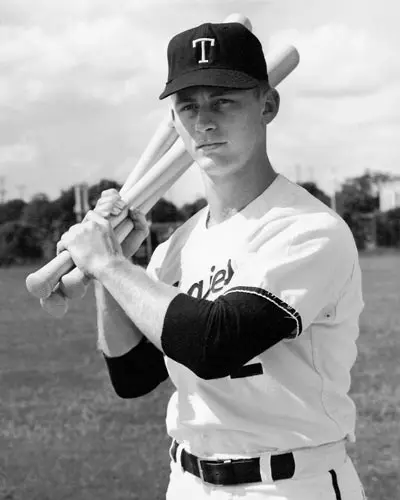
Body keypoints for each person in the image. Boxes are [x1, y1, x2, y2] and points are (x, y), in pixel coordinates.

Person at [58, 21, 367, 500]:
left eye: (224, 100)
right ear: (175, 123)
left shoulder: (308, 230)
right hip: (186, 482)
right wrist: (113, 263)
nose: (204, 121)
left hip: (289, 484)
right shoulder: (177, 246)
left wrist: (108, 266)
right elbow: (133, 375)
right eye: (188, 105)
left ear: (268, 105)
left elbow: (213, 344)